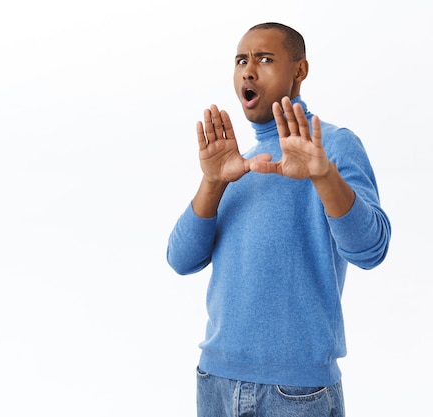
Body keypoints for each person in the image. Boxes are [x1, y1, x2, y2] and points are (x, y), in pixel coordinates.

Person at [166, 22, 391, 417]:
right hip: (215, 380)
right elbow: (181, 260)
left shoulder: (333, 147)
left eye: (264, 59)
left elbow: (371, 250)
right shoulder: (235, 162)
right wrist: (212, 181)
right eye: (241, 61)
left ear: (299, 70)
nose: (248, 70)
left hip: (297, 391)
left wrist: (323, 175)